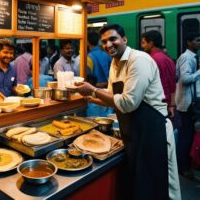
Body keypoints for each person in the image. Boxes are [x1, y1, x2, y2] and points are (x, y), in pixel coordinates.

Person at [72, 24, 181, 200]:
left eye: (113, 39)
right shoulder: (114, 64)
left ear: (124, 39)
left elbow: (128, 103)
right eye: (105, 42)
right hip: (134, 131)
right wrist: (88, 97)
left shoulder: (139, 60)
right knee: (140, 186)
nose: (109, 44)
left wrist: (92, 90)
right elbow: (112, 97)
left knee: (157, 186)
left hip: (153, 132)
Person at [175, 32, 200, 179]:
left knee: (189, 135)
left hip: (190, 101)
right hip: (187, 103)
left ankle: (186, 164)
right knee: (186, 136)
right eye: (197, 40)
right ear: (189, 42)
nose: (199, 43)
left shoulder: (192, 57)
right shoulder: (186, 58)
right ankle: (182, 167)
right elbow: (185, 79)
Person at [141, 30, 176, 118]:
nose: (142, 46)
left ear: (151, 43)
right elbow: (172, 84)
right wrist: (172, 104)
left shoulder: (151, 60)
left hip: (156, 104)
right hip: (167, 103)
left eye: (144, 43)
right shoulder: (168, 59)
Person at [86, 31, 113, 117]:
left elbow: (87, 79)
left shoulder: (88, 57)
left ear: (87, 42)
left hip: (95, 95)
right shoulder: (107, 55)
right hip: (108, 95)